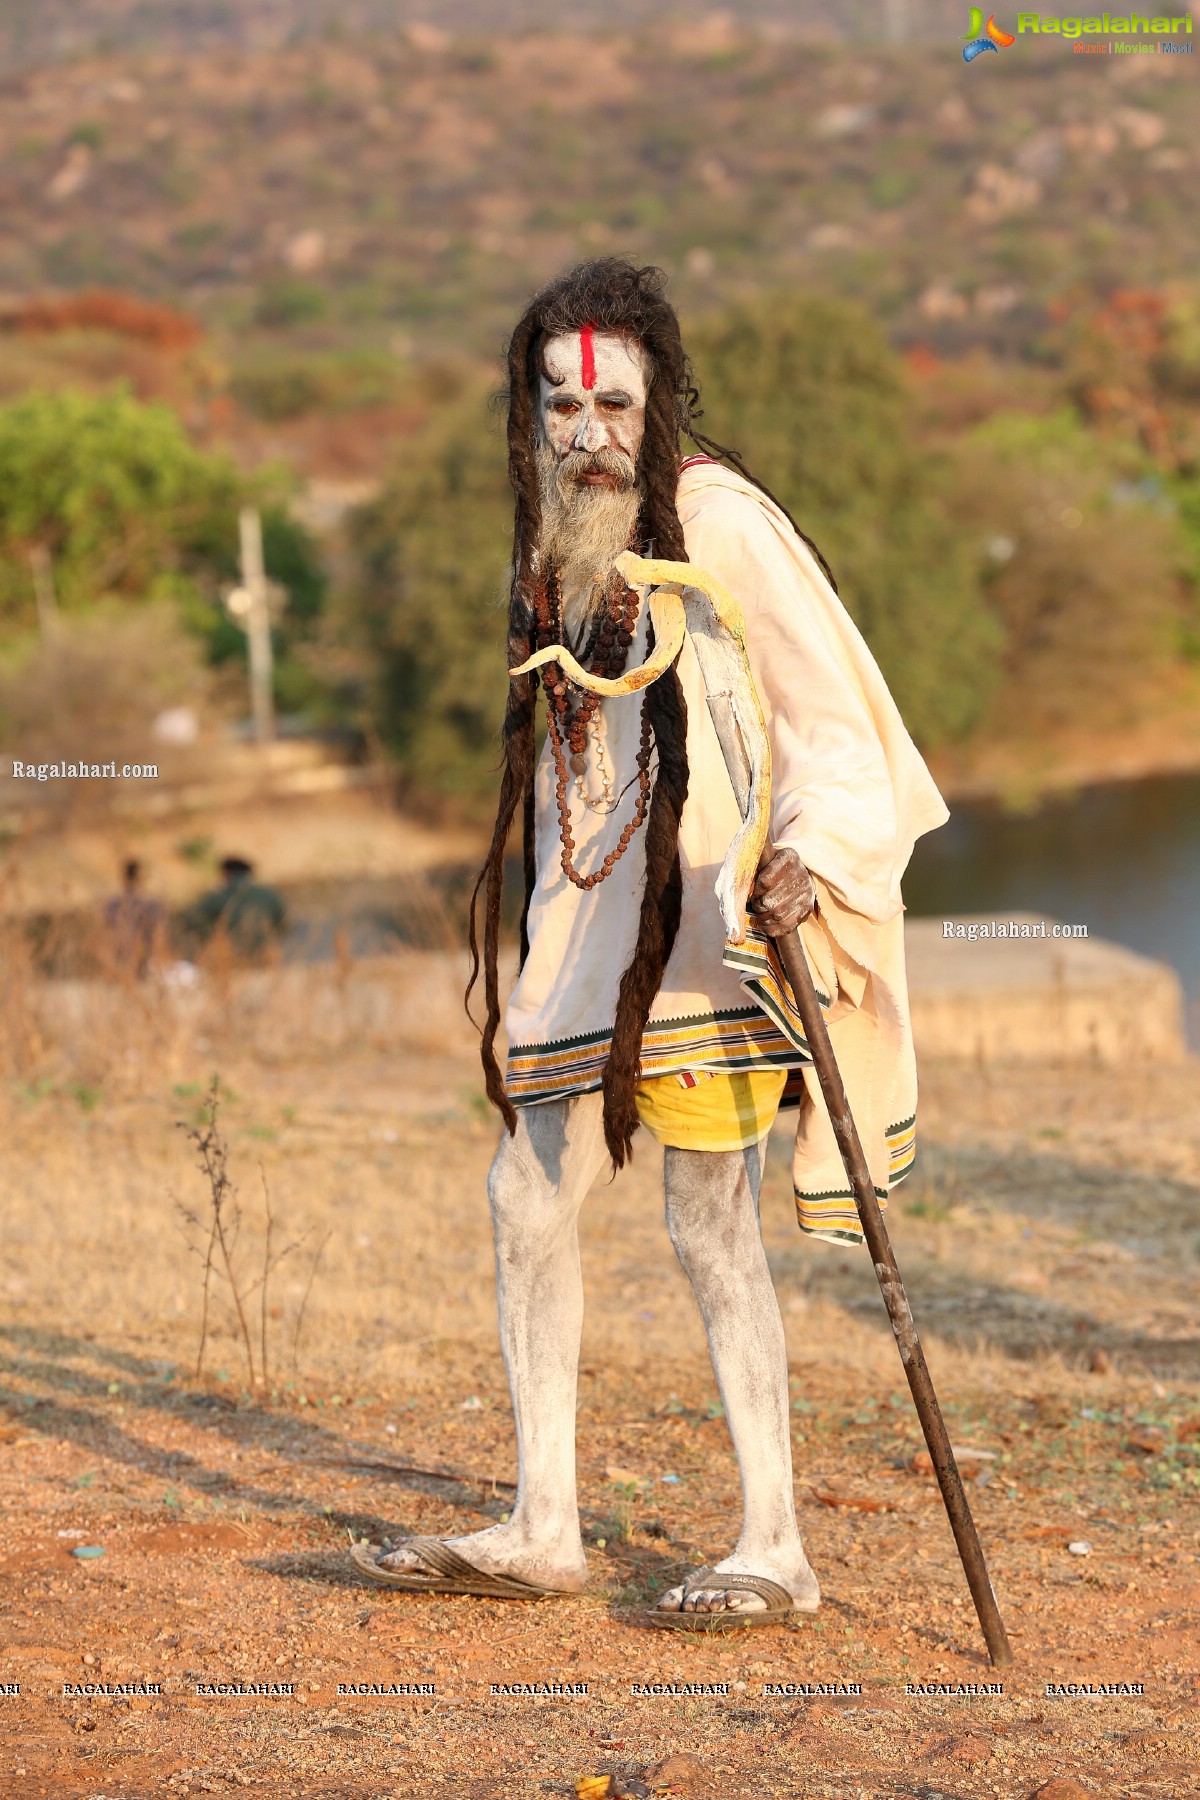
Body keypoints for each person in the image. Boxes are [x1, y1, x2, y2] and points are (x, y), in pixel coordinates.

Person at [352, 258, 948, 1626]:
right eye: (557, 401)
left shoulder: (717, 514)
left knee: (706, 1218)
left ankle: (775, 1547)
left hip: (702, 924)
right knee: (522, 1198)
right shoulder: (552, 529)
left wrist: (809, 851)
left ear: (657, 397)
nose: (583, 428)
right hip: (581, 928)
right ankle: (544, 1524)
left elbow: (834, 717)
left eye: (610, 400)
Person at [183, 855, 286, 959]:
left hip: (229, 958)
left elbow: (191, 921)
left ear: (227, 873)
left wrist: (210, 937)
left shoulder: (218, 896)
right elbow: (283, 925)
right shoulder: (269, 895)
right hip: (264, 957)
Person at [102, 859, 167, 975]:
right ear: (142, 879)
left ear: (125, 877)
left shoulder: (112, 905)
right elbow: (159, 939)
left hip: (119, 961)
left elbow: (106, 935)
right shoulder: (153, 906)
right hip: (143, 961)